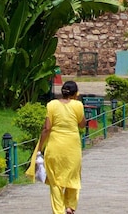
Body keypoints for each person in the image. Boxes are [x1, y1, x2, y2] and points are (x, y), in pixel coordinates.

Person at [31, 80, 86, 214]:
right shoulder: (77, 105)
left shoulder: (52, 105)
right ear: (75, 94)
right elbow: (82, 124)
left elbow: (47, 128)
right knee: (73, 177)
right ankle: (70, 206)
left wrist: (39, 148)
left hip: (54, 147)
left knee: (55, 181)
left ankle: (59, 211)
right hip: (72, 147)